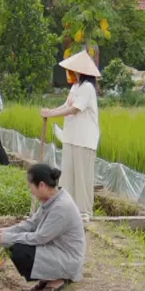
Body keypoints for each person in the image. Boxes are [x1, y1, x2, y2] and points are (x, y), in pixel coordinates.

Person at [0, 164, 85, 291]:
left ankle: (58, 279)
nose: (31, 191)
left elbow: (40, 238)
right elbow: (32, 223)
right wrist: (5, 231)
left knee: (19, 250)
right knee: (15, 244)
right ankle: (48, 277)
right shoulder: (51, 200)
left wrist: (7, 238)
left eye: (31, 186)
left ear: (41, 185)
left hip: (67, 258)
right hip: (55, 250)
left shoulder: (61, 208)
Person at [40, 50, 100, 220]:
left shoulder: (87, 88)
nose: (69, 72)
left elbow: (74, 109)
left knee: (82, 177)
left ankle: (84, 212)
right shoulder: (75, 87)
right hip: (71, 137)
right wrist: (51, 111)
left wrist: (51, 114)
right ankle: (69, 210)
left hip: (84, 139)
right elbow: (66, 105)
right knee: (68, 175)